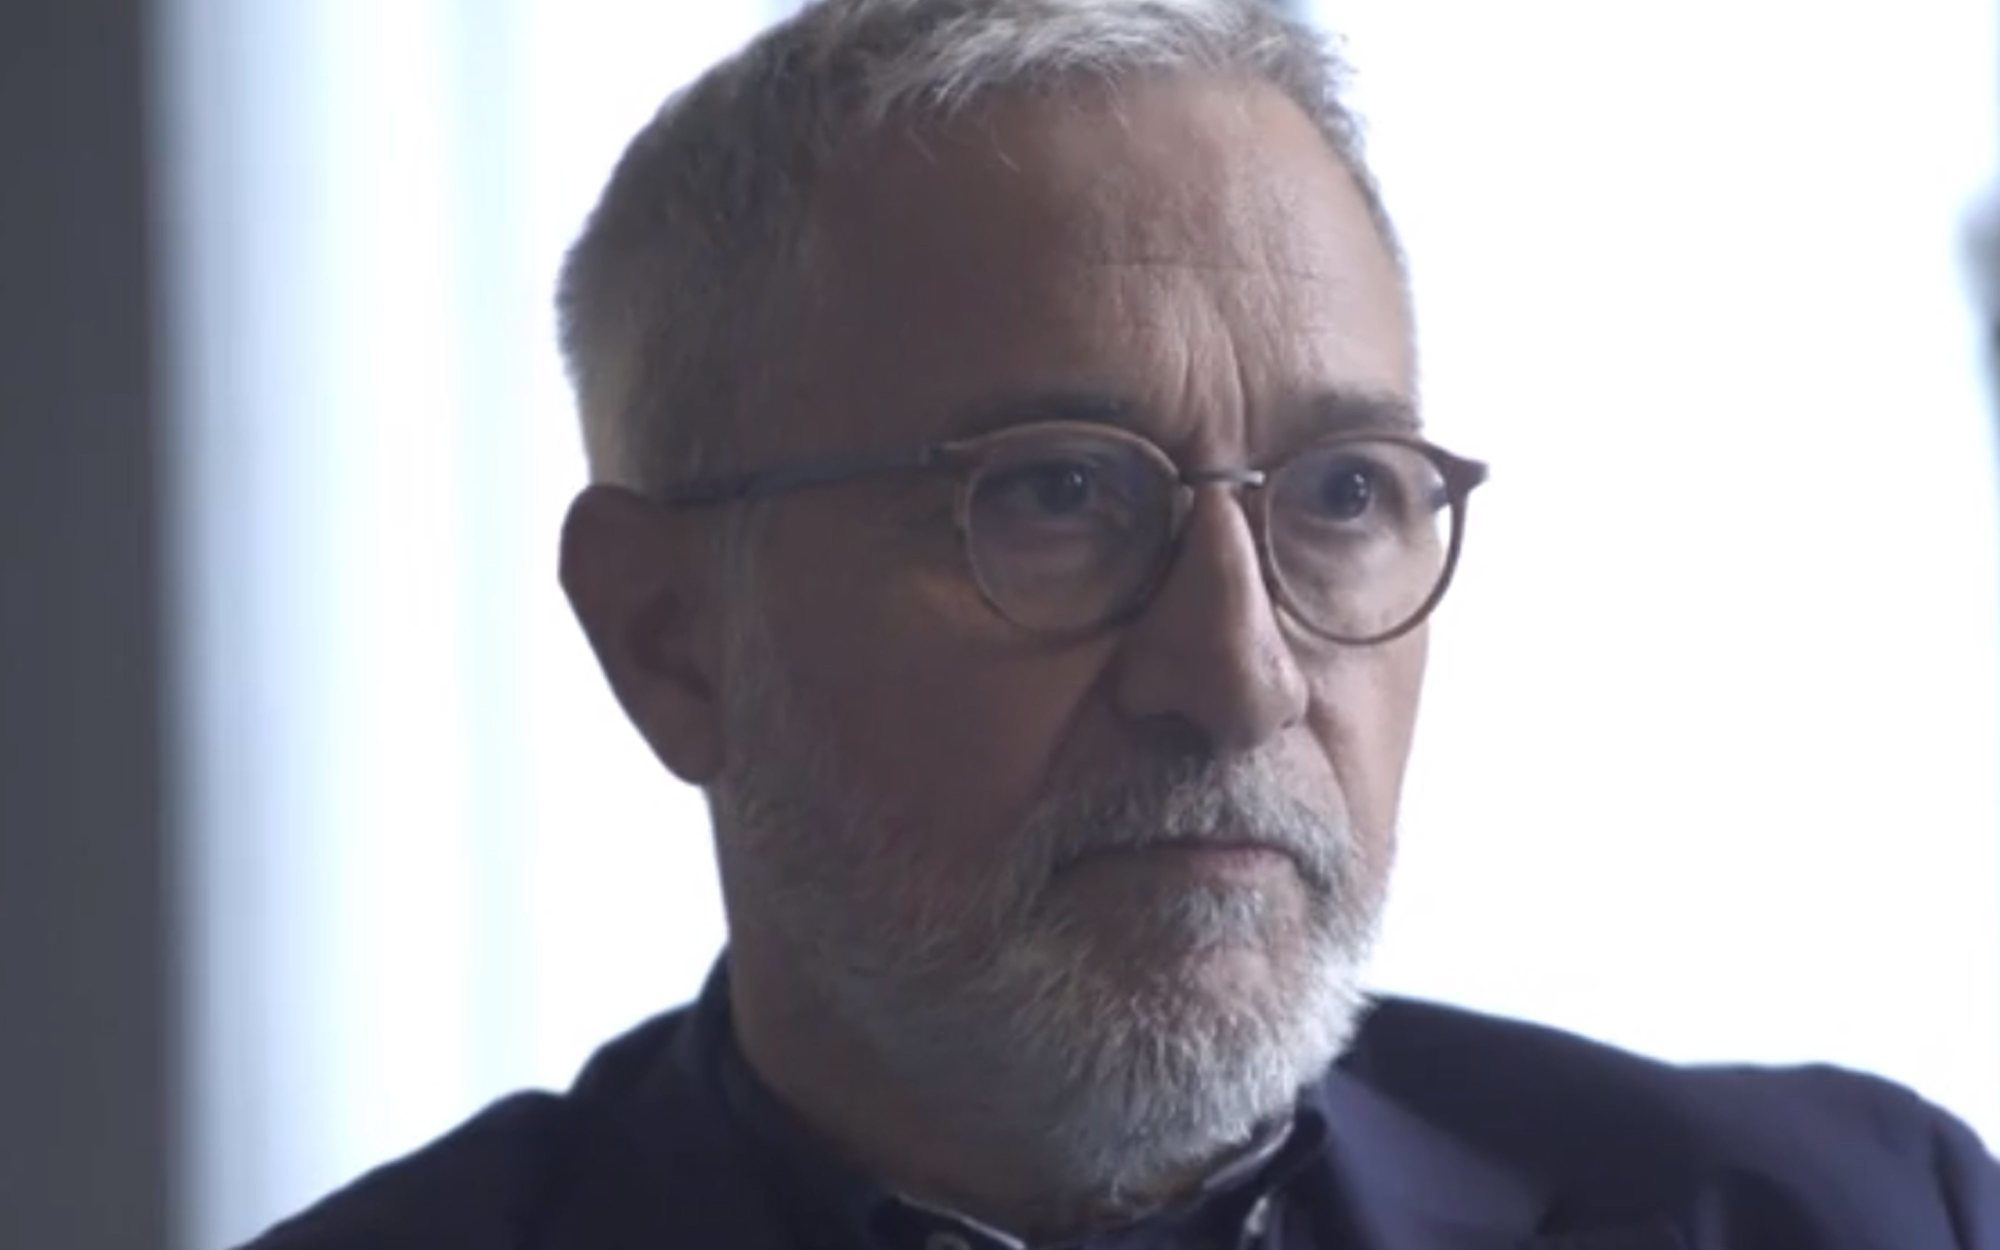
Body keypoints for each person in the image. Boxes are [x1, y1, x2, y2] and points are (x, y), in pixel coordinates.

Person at [243, 1, 2000, 1246]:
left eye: (1342, 494)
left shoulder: (1837, 1216)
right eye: (1057, 495)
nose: (1239, 675)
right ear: (668, 635)